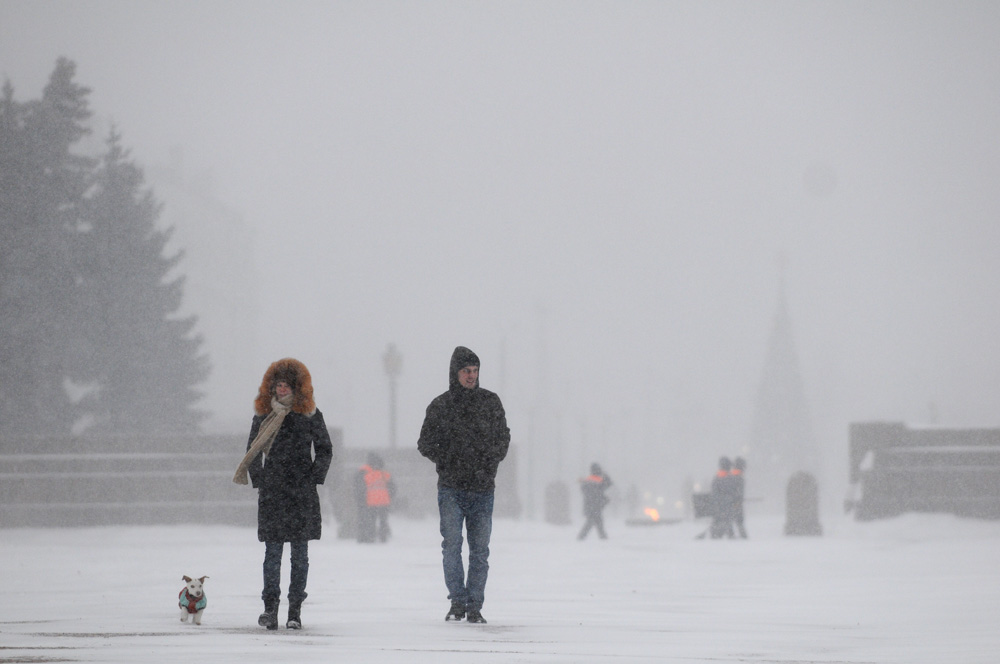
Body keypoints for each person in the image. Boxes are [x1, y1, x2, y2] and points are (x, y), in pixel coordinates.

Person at [233, 358, 333, 630]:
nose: (281, 390)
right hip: (273, 491)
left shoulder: (310, 414)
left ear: (296, 388)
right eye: (278, 385)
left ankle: (295, 610)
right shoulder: (263, 415)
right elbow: (252, 450)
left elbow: (325, 448)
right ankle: (270, 608)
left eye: (286, 385)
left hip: (301, 491)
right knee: (272, 553)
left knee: (300, 554)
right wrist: (261, 480)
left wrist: (313, 477)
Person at [417, 346, 510, 624]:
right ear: (455, 373)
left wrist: (488, 463)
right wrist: (448, 459)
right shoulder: (440, 406)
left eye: (475, 371)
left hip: (482, 488)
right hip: (452, 488)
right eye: (466, 371)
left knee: (480, 550)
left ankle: (475, 605)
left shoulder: (490, 402)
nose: (471, 376)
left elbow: (502, 439)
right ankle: (457, 601)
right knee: (452, 545)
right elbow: (425, 443)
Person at [355, 452, 395, 543]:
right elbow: (392, 487)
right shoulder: (385, 474)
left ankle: (370, 537)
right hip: (384, 501)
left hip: (370, 501)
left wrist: (361, 498)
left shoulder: (364, 473)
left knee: (370, 520)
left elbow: (360, 488)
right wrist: (390, 497)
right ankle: (383, 537)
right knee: (383, 521)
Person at [578, 462, 612, 540]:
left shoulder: (589, 481)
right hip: (595, 507)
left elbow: (585, 490)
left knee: (595, 522)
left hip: (591, 506)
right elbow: (607, 484)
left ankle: (602, 538)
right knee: (592, 522)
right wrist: (604, 475)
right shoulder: (596, 481)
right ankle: (581, 538)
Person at [709, 456, 736, 539]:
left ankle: (716, 533)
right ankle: (727, 533)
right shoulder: (729, 478)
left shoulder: (717, 477)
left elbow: (714, 491)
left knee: (718, 520)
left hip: (718, 506)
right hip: (726, 506)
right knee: (727, 520)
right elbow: (733, 491)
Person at [732, 457, 748, 538]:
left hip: (732, 503)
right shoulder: (738, 477)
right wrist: (737, 502)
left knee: (732, 521)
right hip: (736, 504)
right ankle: (741, 536)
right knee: (739, 521)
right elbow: (738, 492)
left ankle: (731, 534)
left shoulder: (733, 475)